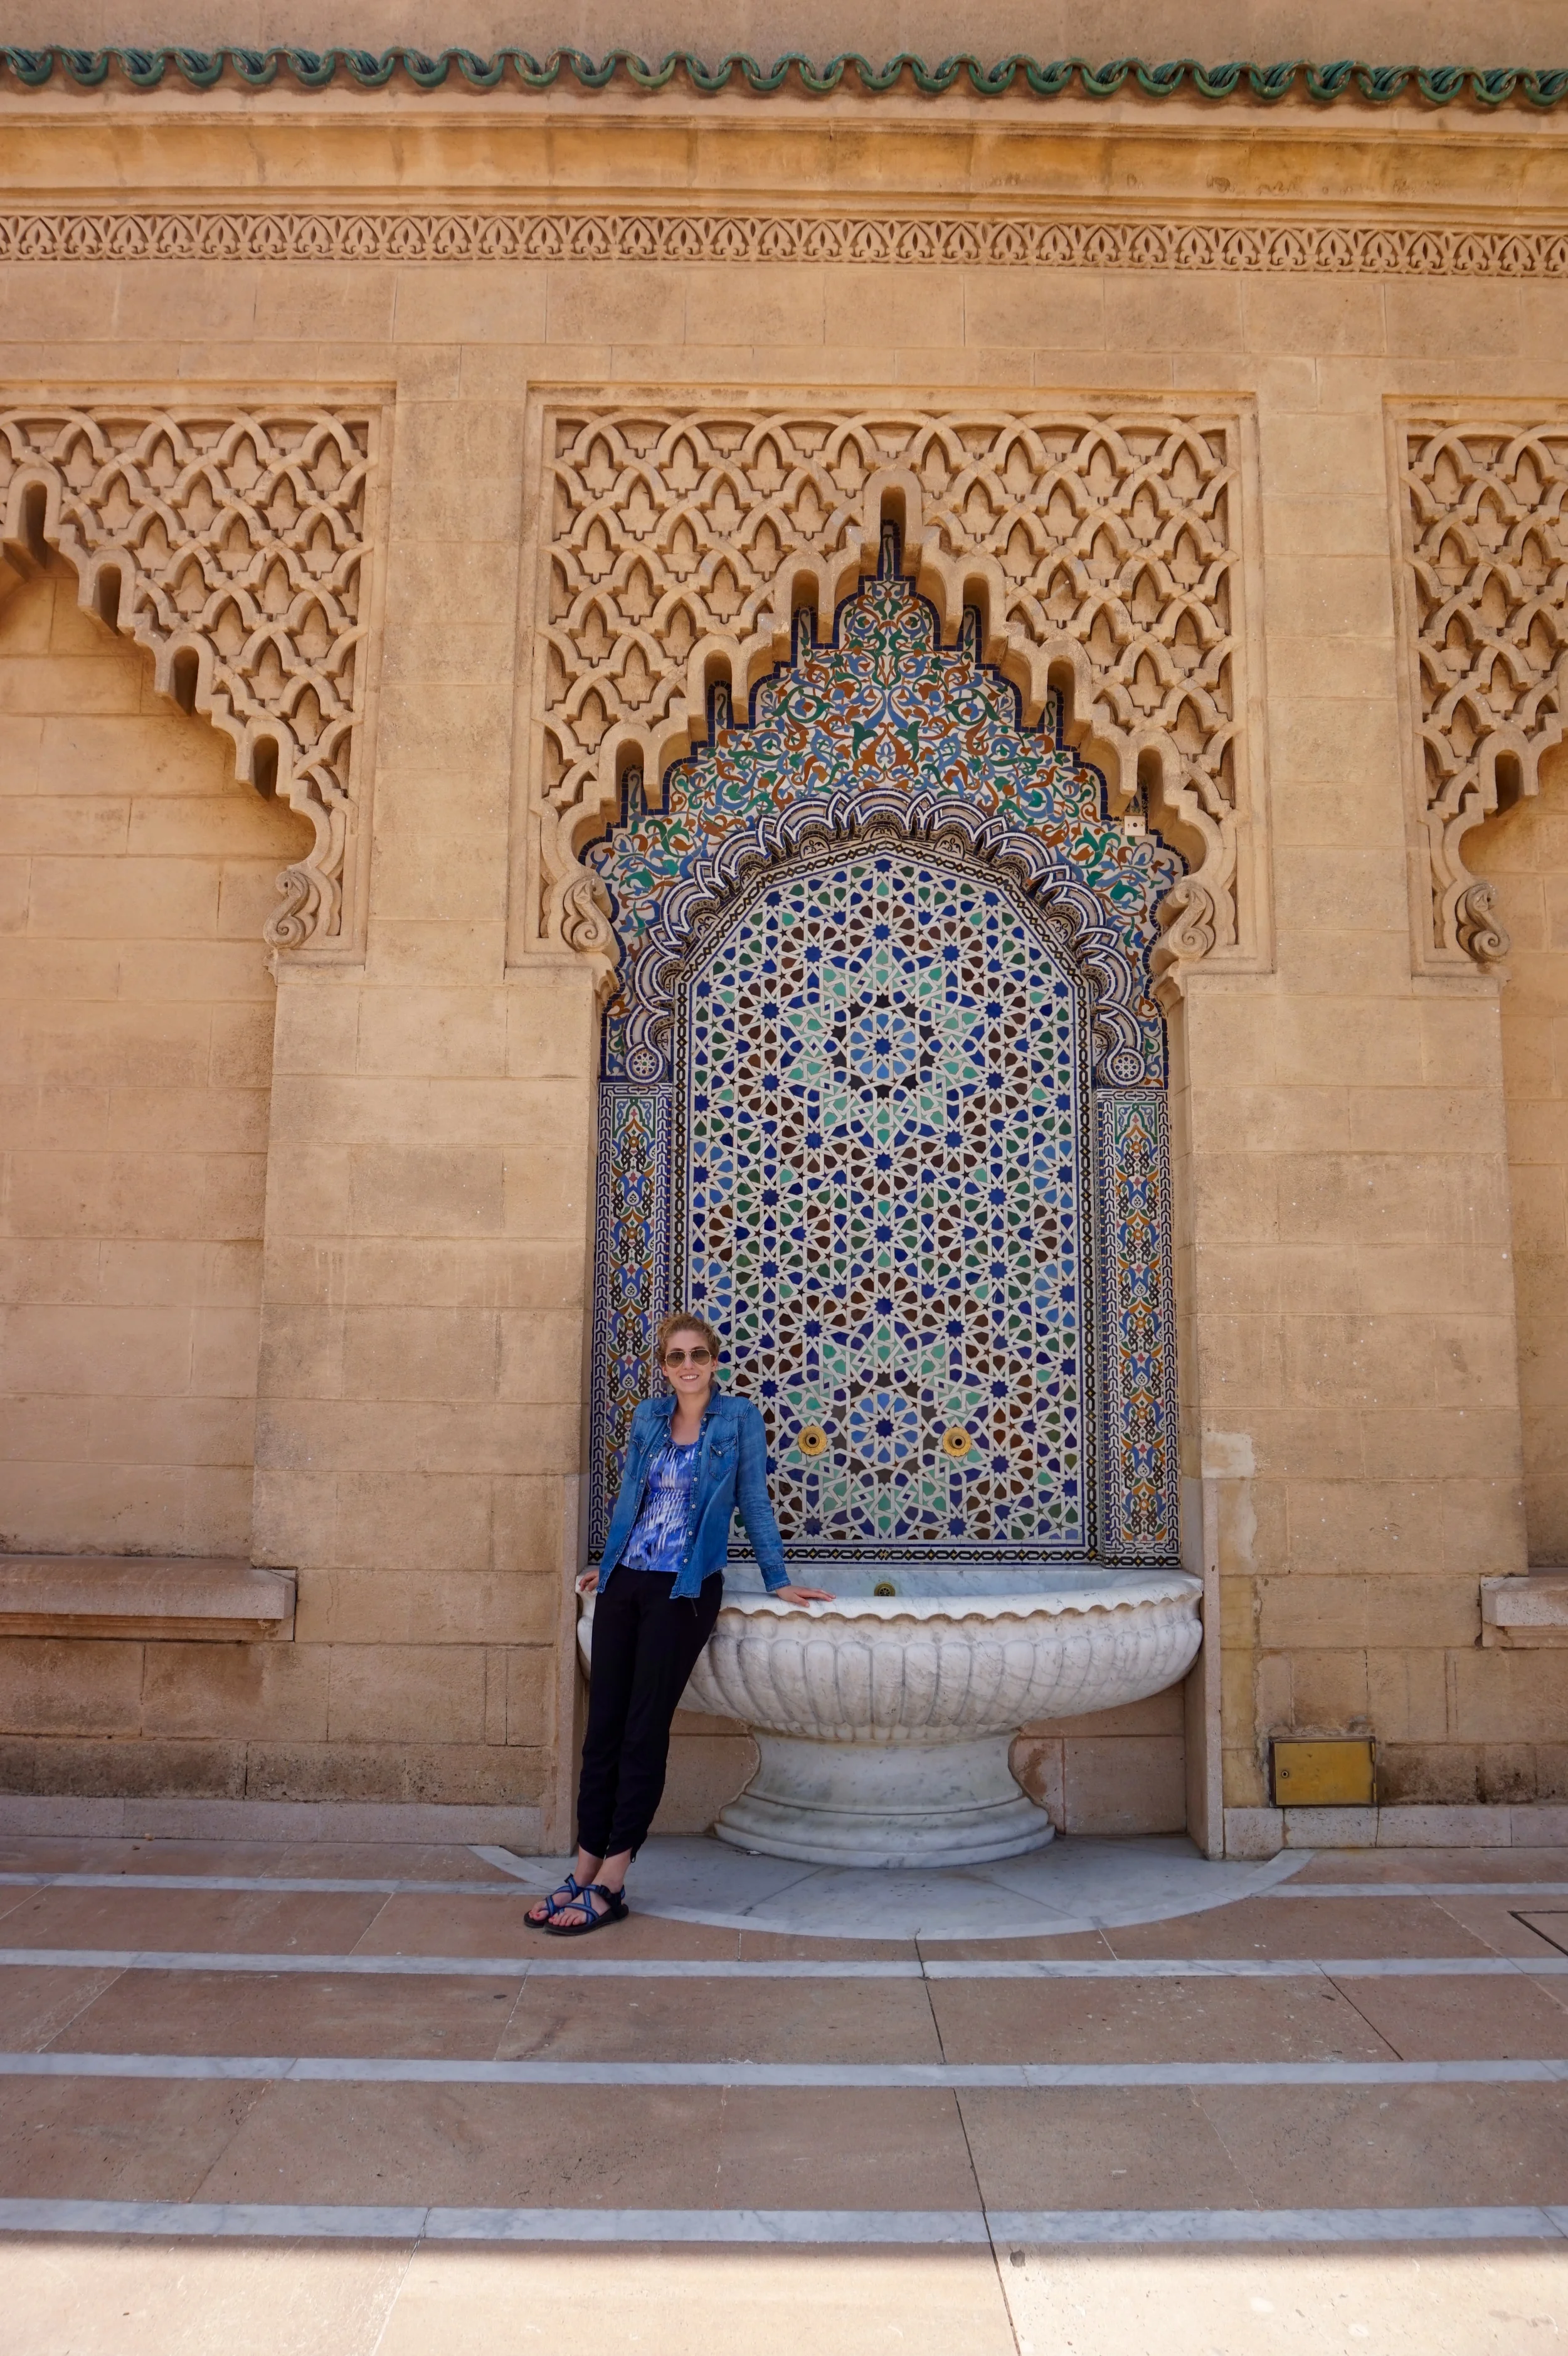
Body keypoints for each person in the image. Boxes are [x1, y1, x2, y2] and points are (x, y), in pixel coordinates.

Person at [528, 1311, 832, 1936]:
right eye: (675, 1357)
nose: (686, 1365)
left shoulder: (739, 1418)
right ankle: (582, 1869)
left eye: (696, 1354)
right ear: (663, 1367)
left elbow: (753, 1501)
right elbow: (631, 1499)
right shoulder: (647, 1418)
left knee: (643, 1731)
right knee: (603, 1731)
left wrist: (778, 1580)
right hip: (628, 1581)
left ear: (714, 1362)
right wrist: (606, 1567)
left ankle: (612, 1881)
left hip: (685, 1588)